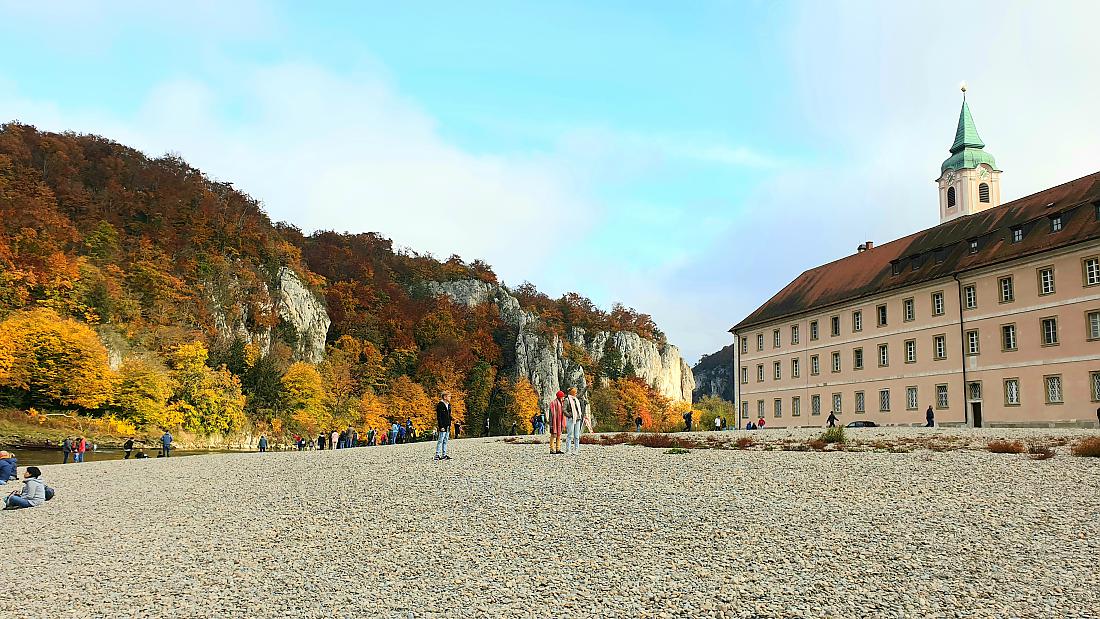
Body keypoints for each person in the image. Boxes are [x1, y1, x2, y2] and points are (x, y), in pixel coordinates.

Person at [563, 387, 585, 455]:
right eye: (575, 392)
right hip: (570, 419)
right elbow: (564, 409)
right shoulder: (567, 400)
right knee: (570, 435)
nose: (576, 393)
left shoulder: (576, 399)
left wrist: (586, 387)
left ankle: (576, 450)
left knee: (576, 435)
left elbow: (581, 394)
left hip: (578, 418)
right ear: (572, 393)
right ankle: (568, 450)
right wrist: (569, 415)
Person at [435, 392, 452, 460]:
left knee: (445, 440)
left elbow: (449, 415)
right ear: (444, 397)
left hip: (447, 425)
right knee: (440, 440)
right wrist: (441, 426)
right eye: (449, 396)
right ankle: (437, 455)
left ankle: (444, 454)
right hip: (443, 426)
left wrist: (450, 423)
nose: (450, 398)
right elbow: (439, 417)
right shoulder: (440, 405)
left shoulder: (449, 405)